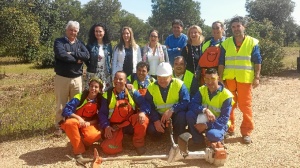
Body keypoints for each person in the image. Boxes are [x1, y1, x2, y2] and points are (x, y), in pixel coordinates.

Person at [218, 16, 262, 144]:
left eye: (238, 26)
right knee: (229, 105)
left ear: (244, 27)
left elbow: (257, 61)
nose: (236, 29)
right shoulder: (225, 43)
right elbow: (221, 62)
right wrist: (220, 77)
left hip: (245, 79)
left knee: (245, 106)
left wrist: (257, 77)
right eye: (233, 27)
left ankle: (246, 132)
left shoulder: (252, 42)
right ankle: (228, 128)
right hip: (229, 78)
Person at [98, 71, 150, 155]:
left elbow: (144, 103)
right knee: (109, 149)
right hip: (115, 127)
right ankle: (120, 141)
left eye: (120, 79)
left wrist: (142, 112)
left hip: (129, 124)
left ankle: (138, 144)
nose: (117, 81)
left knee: (143, 119)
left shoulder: (132, 92)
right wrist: (106, 126)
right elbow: (102, 113)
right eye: (115, 78)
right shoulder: (107, 95)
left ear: (125, 81)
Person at [53, 20, 90, 135]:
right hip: (62, 77)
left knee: (76, 103)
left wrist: (71, 53)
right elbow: (61, 54)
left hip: (77, 78)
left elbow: (87, 55)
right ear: (66, 30)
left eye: (75, 31)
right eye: (71, 30)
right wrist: (76, 60)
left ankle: (73, 124)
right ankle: (60, 125)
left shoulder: (80, 43)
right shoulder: (59, 42)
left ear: (77, 32)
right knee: (61, 103)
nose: (73, 32)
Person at [186, 68, 233, 151]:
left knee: (212, 134)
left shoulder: (226, 95)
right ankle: (199, 142)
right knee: (190, 114)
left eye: (212, 79)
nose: (209, 82)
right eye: (207, 79)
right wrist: (205, 110)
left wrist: (206, 125)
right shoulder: (202, 90)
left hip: (219, 122)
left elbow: (224, 119)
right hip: (206, 117)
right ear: (204, 79)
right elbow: (192, 105)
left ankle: (218, 137)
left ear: (218, 78)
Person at [60, 77, 103, 164]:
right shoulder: (80, 97)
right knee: (70, 123)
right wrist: (78, 118)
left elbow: (99, 118)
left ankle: (82, 143)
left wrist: (89, 123)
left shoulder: (100, 100)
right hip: (76, 121)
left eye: (96, 87)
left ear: (100, 89)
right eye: (91, 86)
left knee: (95, 135)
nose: (93, 89)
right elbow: (66, 111)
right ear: (88, 86)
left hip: (88, 123)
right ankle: (78, 152)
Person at [145, 62, 189, 141]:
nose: (162, 81)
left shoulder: (179, 85)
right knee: (152, 129)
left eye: (165, 78)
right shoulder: (151, 88)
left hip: (175, 114)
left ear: (171, 77)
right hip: (159, 115)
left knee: (182, 115)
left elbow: (186, 101)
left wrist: (172, 110)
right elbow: (149, 106)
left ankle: (178, 136)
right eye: (159, 78)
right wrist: (156, 120)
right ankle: (161, 133)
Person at [85, 22, 113, 91]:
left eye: (100, 31)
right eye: (96, 31)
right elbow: (85, 58)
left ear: (104, 32)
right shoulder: (90, 45)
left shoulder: (108, 45)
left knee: (105, 95)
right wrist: (90, 66)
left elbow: (111, 58)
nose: (98, 33)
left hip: (105, 74)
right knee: (93, 93)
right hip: (93, 73)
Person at [198, 21, 226, 85]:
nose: (215, 30)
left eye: (217, 28)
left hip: (222, 75)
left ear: (222, 29)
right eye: (213, 28)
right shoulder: (207, 43)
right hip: (207, 75)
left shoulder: (227, 42)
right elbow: (201, 60)